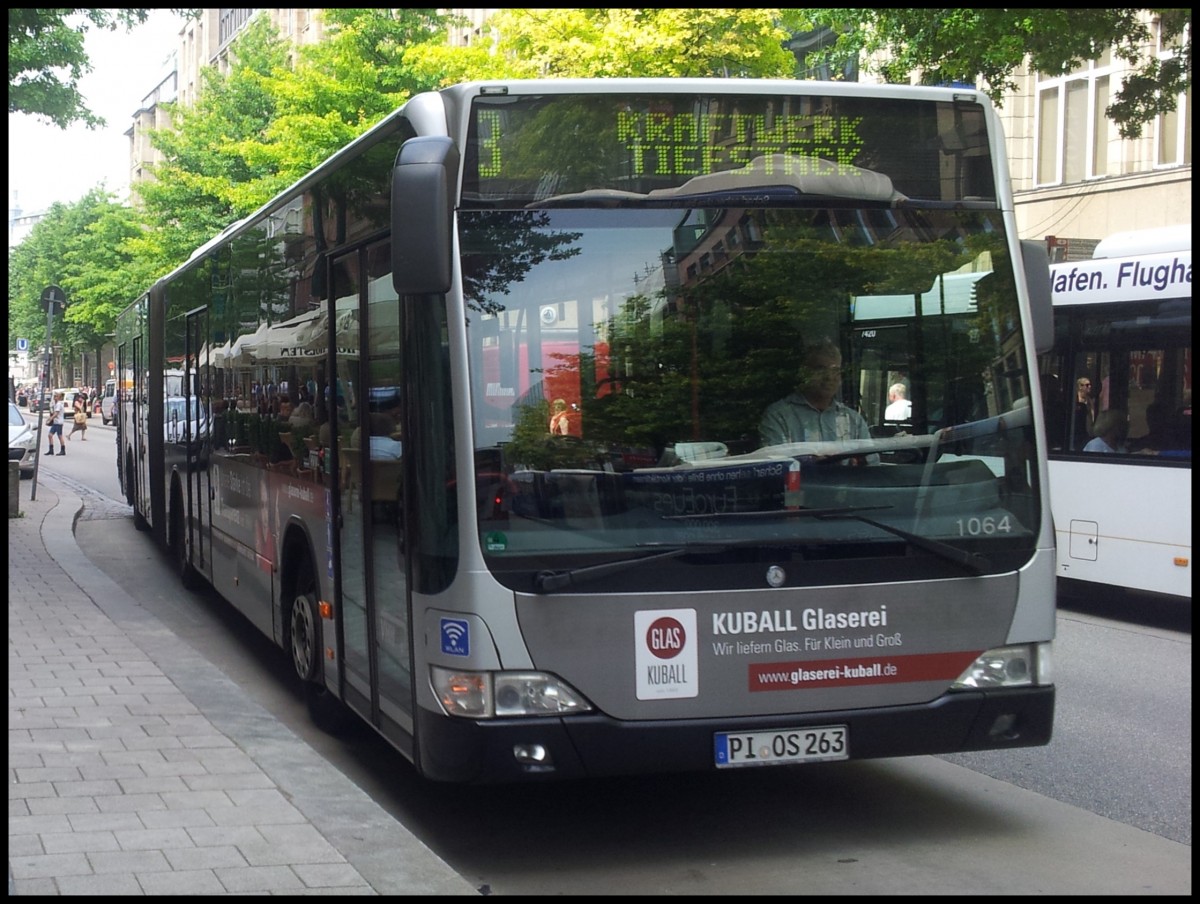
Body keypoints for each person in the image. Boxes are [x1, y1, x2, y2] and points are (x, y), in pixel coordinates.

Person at [759, 338, 876, 462]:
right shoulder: (779, 416)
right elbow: (774, 466)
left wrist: (861, 463)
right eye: (821, 369)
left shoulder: (854, 420)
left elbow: (873, 465)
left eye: (835, 371)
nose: (829, 377)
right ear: (804, 372)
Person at [1071, 376, 1097, 450]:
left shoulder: (1090, 400)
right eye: (1087, 385)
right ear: (1080, 387)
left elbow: (1092, 415)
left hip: (1087, 432)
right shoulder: (1074, 399)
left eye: (1090, 385)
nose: (1090, 387)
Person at [46, 391, 67, 455]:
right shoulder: (55, 404)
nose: (55, 397)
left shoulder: (59, 404)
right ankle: (51, 450)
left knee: (60, 436)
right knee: (50, 435)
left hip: (59, 422)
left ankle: (63, 450)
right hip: (55, 422)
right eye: (54, 396)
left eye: (56, 396)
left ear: (59, 397)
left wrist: (50, 419)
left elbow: (56, 413)